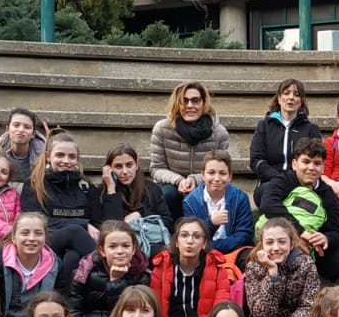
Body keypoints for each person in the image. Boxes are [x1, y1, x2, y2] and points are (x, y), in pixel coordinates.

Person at [261, 138, 339, 287]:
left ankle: (337, 306)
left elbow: (336, 231)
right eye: (306, 162)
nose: (311, 168)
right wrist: (300, 232)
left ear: (323, 167)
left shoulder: (328, 194)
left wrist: (325, 238)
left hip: (314, 248)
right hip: (278, 243)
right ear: (295, 164)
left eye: (317, 163)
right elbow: (268, 205)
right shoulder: (284, 180)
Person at [241, 217, 321, 317]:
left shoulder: (306, 264)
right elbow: (261, 312)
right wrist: (272, 274)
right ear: (262, 245)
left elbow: (308, 309)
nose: (276, 247)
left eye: (282, 242)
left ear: (291, 245)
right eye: (269, 242)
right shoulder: (254, 267)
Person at [21, 131, 99, 286]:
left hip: (79, 246)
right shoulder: (34, 185)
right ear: (49, 156)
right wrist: (82, 224)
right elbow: (37, 222)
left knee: (73, 257)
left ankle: (67, 302)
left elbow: (98, 221)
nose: (66, 161)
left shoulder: (85, 186)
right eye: (60, 155)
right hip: (47, 242)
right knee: (75, 231)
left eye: (72, 156)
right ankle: (106, 267)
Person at [150, 216, 241, 317]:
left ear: (204, 244)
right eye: (184, 235)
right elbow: (154, 304)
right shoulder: (162, 266)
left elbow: (221, 305)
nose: (190, 241)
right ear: (176, 241)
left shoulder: (217, 268)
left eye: (197, 236)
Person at [150, 82, 231, 219]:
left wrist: (195, 179)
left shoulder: (219, 132)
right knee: (167, 194)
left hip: (205, 183)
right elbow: (157, 168)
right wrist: (179, 181)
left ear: (204, 103)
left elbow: (222, 169)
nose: (190, 106)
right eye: (184, 101)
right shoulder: (162, 129)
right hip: (172, 185)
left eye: (195, 100)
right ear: (177, 104)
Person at [71, 218, 149, 317]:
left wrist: (115, 283)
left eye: (125, 246)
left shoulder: (142, 275)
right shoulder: (83, 273)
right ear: (102, 251)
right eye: (112, 246)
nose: (120, 251)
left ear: (133, 249)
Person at [249, 77, 321, 206]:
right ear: (279, 98)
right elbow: (256, 160)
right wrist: (279, 179)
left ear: (301, 101)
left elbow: (314, 161)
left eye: (296, 94)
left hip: (300, 183)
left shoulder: (311, 129)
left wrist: (294, 180)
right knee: (268, 194)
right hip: (270, 183)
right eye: (286, 93)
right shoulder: (264, 126)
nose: (291, 97)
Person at [95, 143, 174, 254]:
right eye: (118, 166)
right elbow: (109, 228)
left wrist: (139, 215)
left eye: (129, 165)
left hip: (150, 242)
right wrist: (111, 190)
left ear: (136, 165)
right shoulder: (102, 192)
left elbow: (167, 223)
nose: (125, 171)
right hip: (119, 247)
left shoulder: (151, 188)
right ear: (109, 169)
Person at [183, 154, 254, 255]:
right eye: (211, 173)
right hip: (202, 252)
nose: (217, 178)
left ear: (230, 176)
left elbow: (245, 234)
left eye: (222, 173)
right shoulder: (190, 202)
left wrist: (214, 246)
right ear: (202, 175)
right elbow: (193, 235)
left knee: (249, 256)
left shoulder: (240, 198)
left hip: (234, 249)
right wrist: (211, 222)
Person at [0, 107, 47, 182]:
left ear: (33, 134)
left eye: (27, 127)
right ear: (7, 130)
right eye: (16, 125)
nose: (21, 130)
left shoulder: (42, 150)